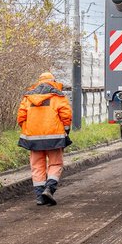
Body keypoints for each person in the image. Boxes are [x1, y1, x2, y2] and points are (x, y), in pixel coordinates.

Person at [17, 71, 73, 206]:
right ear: (53, 81)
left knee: (37, 166)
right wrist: (66, 129)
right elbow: (66, 115)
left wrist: (29, 129)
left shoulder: (28, 98)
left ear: (39, 82)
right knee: (55, 164)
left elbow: (21, 117)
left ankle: (39, 196)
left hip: (32, 139)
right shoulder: (58, 96)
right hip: (54, 137)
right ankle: (49, 188)